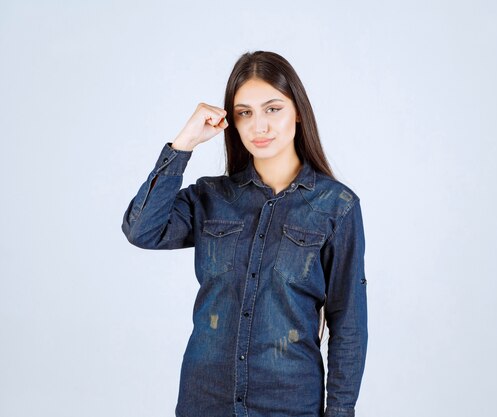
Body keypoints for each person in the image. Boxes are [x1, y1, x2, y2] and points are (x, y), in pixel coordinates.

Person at [121, 50, 368, 417]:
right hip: (205, 400)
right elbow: (142, 230)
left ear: (297, 111)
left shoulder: (336, 206)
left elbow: (348, 322)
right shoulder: (211, 197)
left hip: (289, 404)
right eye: (244, 113)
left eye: (273, 109)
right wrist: (183, 144)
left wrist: (340, 412)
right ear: (232, 121)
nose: (259, 126)